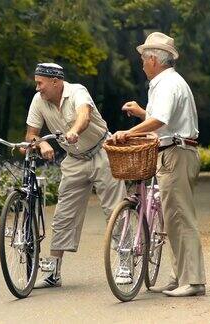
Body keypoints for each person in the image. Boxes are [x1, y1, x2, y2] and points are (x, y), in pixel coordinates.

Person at [111, 32, 206, 297]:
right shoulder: (167, 82)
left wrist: (129, 133)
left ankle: (194, 280)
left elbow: (160, 122)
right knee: (172, 218)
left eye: (143, 59)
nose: (141, 64)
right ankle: (179, 277)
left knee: (181, 216)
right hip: (171, 151)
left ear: (153, 59)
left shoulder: (167, 83)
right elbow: (164, 118)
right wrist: (143, 113)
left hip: (177, 152)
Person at [25, 63, 126, 289]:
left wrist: (74, 131)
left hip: (102, 152)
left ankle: (125, 261)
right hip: (74, 159)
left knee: (115, 209)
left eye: (40, 83)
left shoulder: (77, 91)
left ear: (55, 81)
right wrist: (41, 144)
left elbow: (84, 115)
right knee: (63, 213)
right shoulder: (38, 101)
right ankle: (54, 273)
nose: (37, 88)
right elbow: (31, 134)